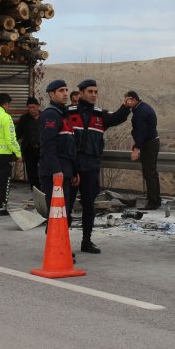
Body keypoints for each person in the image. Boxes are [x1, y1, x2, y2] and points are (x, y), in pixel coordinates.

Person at [68, 79, 130, 254]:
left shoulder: (100, 115)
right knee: (66, 205)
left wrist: (125, 106)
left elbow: (117, 117)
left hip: (91, 167)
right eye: (90, 91)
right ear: (80, 94)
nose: (94, 95)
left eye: (96, 92)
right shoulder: (68, 113)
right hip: (71, 167)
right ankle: (62, 243)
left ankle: (86, 241)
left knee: (89, 206)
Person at [37, 80, 76, 217]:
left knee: (63, 213)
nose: (65, 93)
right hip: (54, 172)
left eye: (66, 90)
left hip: (65, 170)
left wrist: (74, 171)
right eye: (61, 91)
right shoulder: (51, 114)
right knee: (55, 213)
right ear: (52, 94)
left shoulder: (62, 114)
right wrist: (56, 170)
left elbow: (69, 146)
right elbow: (48, 145)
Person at [123, 90, 160, 209]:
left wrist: (136, 148)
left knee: (149, 173)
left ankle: (153, 202)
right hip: (152, 142)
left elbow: (142, 132)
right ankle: (155, 199)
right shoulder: (143, 107)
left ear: (134, 99)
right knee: (152, 173)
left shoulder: (140, 112)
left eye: (127, 100)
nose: (125, 103)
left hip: (148, 144)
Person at [15, 97, 42, 193]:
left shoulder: (45, 117)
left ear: (38, 106)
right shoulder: (24, 119)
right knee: (32, 174)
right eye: (29, 108)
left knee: (44, 173)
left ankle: (45, 193)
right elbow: (17, 135)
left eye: (34, 107)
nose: (32, 110)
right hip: (29, 150)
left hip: (43, 150)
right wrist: (17, 152)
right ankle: (35, 193)